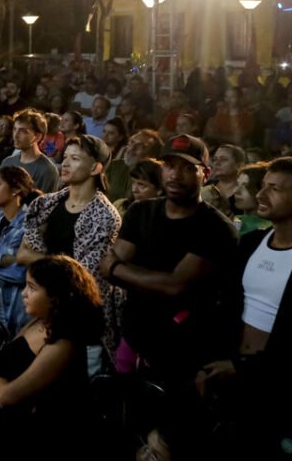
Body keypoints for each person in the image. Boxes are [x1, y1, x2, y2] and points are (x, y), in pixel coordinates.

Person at [101, 134, 238, 384]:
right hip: (133, 337)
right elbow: (105, 269)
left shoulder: (216, 228)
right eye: (170, 166)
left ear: (205, 174)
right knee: (125, 413)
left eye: (188, 168)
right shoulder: (140, 211)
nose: (175, 175)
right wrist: (142, 276)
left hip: (181, 349)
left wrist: (120, 268)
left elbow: (175, 286)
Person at [195, 157, 292, 459]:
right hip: (229, 376)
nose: (262, 195)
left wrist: (244, 368)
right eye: (262, 187)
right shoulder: (251, 243)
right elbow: (226, 309)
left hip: (274, 387)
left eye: (274, 189)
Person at [18, 134, 120, 372]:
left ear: (96, 167)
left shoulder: (105, 216)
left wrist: (48, 264)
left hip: (80, 324)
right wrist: (62, 266)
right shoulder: (46, 204)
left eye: (75, 159)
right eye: (65, 157)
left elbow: (84, 277)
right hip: (42, 313)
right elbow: (22, 254)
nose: (65, 163)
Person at [0, 256, 104, 460]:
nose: (24, 293)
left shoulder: (63, 345)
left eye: (32, 287)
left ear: (55, 297)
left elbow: (7, 397)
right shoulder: (37, 323)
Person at [0, 166, 39, 335]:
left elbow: (19, 272)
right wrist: (3, 259)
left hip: (14, 302)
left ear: (15, 190)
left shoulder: (28, 223)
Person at [0, 109, 59, 193]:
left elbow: (45, 203)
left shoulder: (47, 170)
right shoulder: (7, 162)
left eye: (23, 131)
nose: (15, 135)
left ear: (37, 137)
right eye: (15, 129)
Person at [200, 143, 246, 218]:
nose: (217, 163)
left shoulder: (245, 193)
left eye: (224, 159)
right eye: (215, 159)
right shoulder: (205, 186)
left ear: (239, 165)